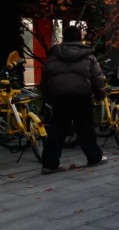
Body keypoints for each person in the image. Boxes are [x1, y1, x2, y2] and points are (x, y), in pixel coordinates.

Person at [39, 25, 107, 174]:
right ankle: (94, 157)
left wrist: (47, 97)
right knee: (85, 129)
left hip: (60, 98)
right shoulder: (89, 56)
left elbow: (45, 80)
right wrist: (100, 96)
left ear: (64, 38)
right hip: (82, 97)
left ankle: (49, 164)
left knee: (57, 130)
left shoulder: (54, 56)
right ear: (79, 38)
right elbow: (97, 78)